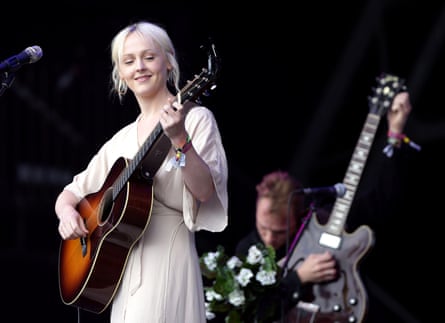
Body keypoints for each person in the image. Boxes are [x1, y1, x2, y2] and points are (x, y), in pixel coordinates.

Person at [55, 20, 228, 323]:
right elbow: (69, 194)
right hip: (123, 272)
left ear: (169, 63)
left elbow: (204, 191)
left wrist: (179, 141)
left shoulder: (196, 119)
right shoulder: (120, 140)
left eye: (149, 57)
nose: (140, 67)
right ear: (120, 73)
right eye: (129, 60)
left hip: (168, 261)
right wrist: (68, 216)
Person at [235, 90, 417, 322]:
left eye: (280, 231)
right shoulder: (249, 249)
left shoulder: (325, 219)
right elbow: (251, 311)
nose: (269, 238)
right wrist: (298, 278)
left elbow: (383, 199)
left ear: (301, 215)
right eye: (263, 228)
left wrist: (395, 133)